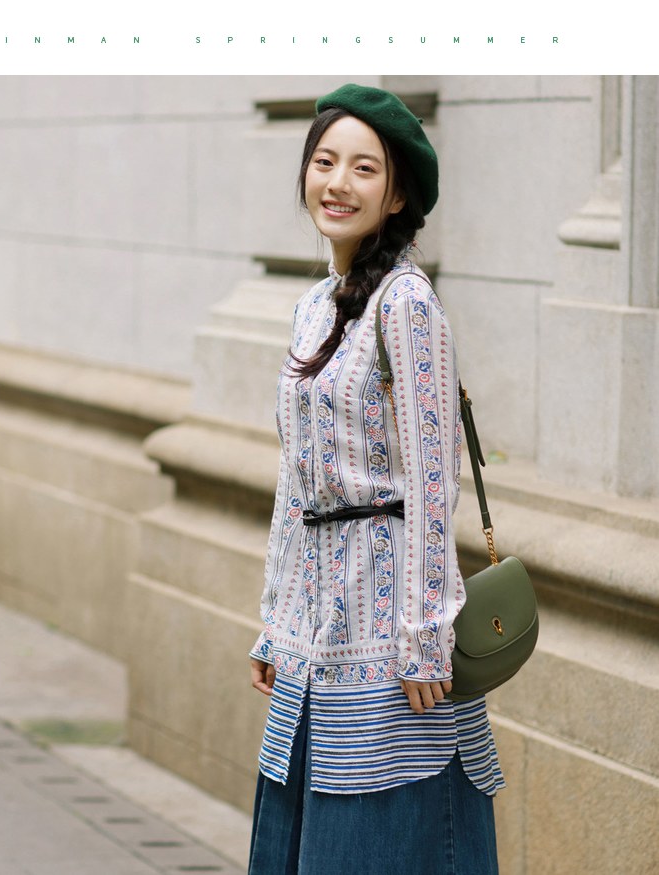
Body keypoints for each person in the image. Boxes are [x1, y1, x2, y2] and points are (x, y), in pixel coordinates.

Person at [248, 83, 504, 875]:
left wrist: (426, 634)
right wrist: (274, 619)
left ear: (396, 196)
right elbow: (295, 479)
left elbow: (432, 481)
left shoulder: (408, 304)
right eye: (324, 161)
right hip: (312, 631)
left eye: (364, 168)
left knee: (382, 842)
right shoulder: (311, 306)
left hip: (389, 634)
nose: (338, 182)